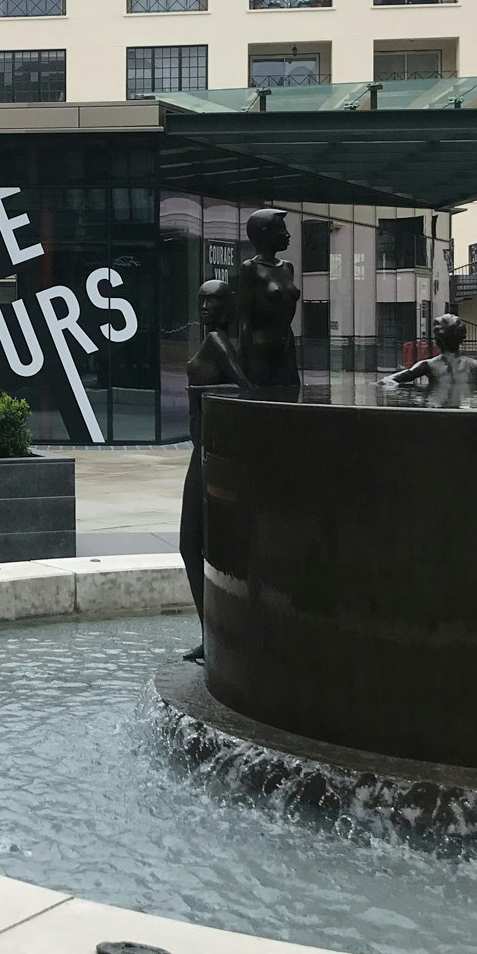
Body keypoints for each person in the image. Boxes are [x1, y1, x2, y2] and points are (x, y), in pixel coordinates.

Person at [180, 280, 249, 663]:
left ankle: (215, 636)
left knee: (193, 544)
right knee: (194, 544)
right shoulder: (215, 342)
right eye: (202, 299)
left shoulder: (217, 344)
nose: (206, 306)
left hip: (208, 450)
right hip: (202, 449)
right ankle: (213, 635)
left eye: (215, 301)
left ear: (227, 307)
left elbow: (246, 388)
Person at [227, 208, 302, 402]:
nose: (287, 235)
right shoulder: (250, 268)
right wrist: (245, 365)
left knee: (290, 402)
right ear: (264, 233)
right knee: (261, 404)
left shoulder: (287, 267)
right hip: (259, 350)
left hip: (286, 348)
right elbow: (243, 320)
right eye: (280, 230)